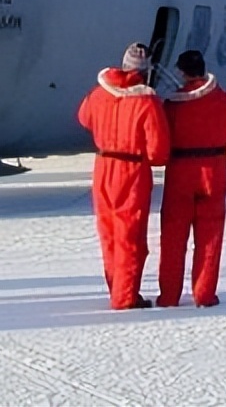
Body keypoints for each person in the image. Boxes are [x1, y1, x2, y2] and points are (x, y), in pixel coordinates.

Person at [77, 42, 170, 310]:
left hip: (103, 166)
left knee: (109, 234)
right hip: (132, 171)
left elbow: (83, 118)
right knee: (130, 236)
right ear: (146, 71)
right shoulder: (147, 100)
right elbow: (159, 152)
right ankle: (125, 297)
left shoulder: (98, 93)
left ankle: (116, 288)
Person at [157, 50, 226, 308]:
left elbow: (162, 138)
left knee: (173, 237)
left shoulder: (172, 105)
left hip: (180, 171)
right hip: (213, 171)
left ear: (182, 72)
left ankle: (169, 295)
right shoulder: (225, 101)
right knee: (210, 236)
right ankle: (204, 293)